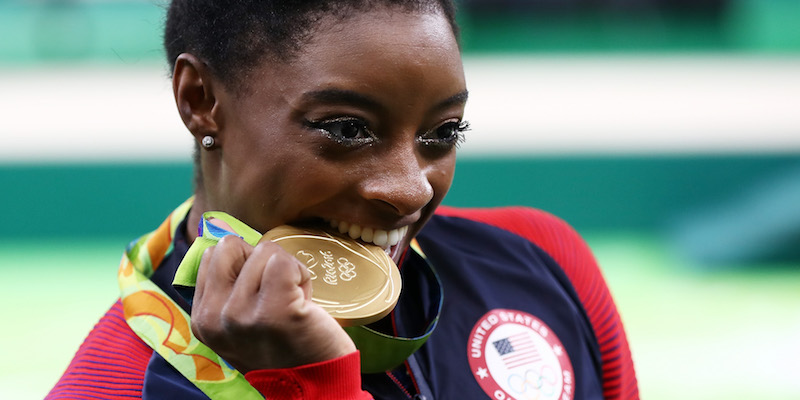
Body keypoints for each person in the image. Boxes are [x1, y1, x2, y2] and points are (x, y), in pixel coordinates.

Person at [47, 1, 638, 399]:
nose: (411, 189)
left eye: (442, 133)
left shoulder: (541, 261)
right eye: (348, 129)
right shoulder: (115, 386)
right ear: (200, 99)